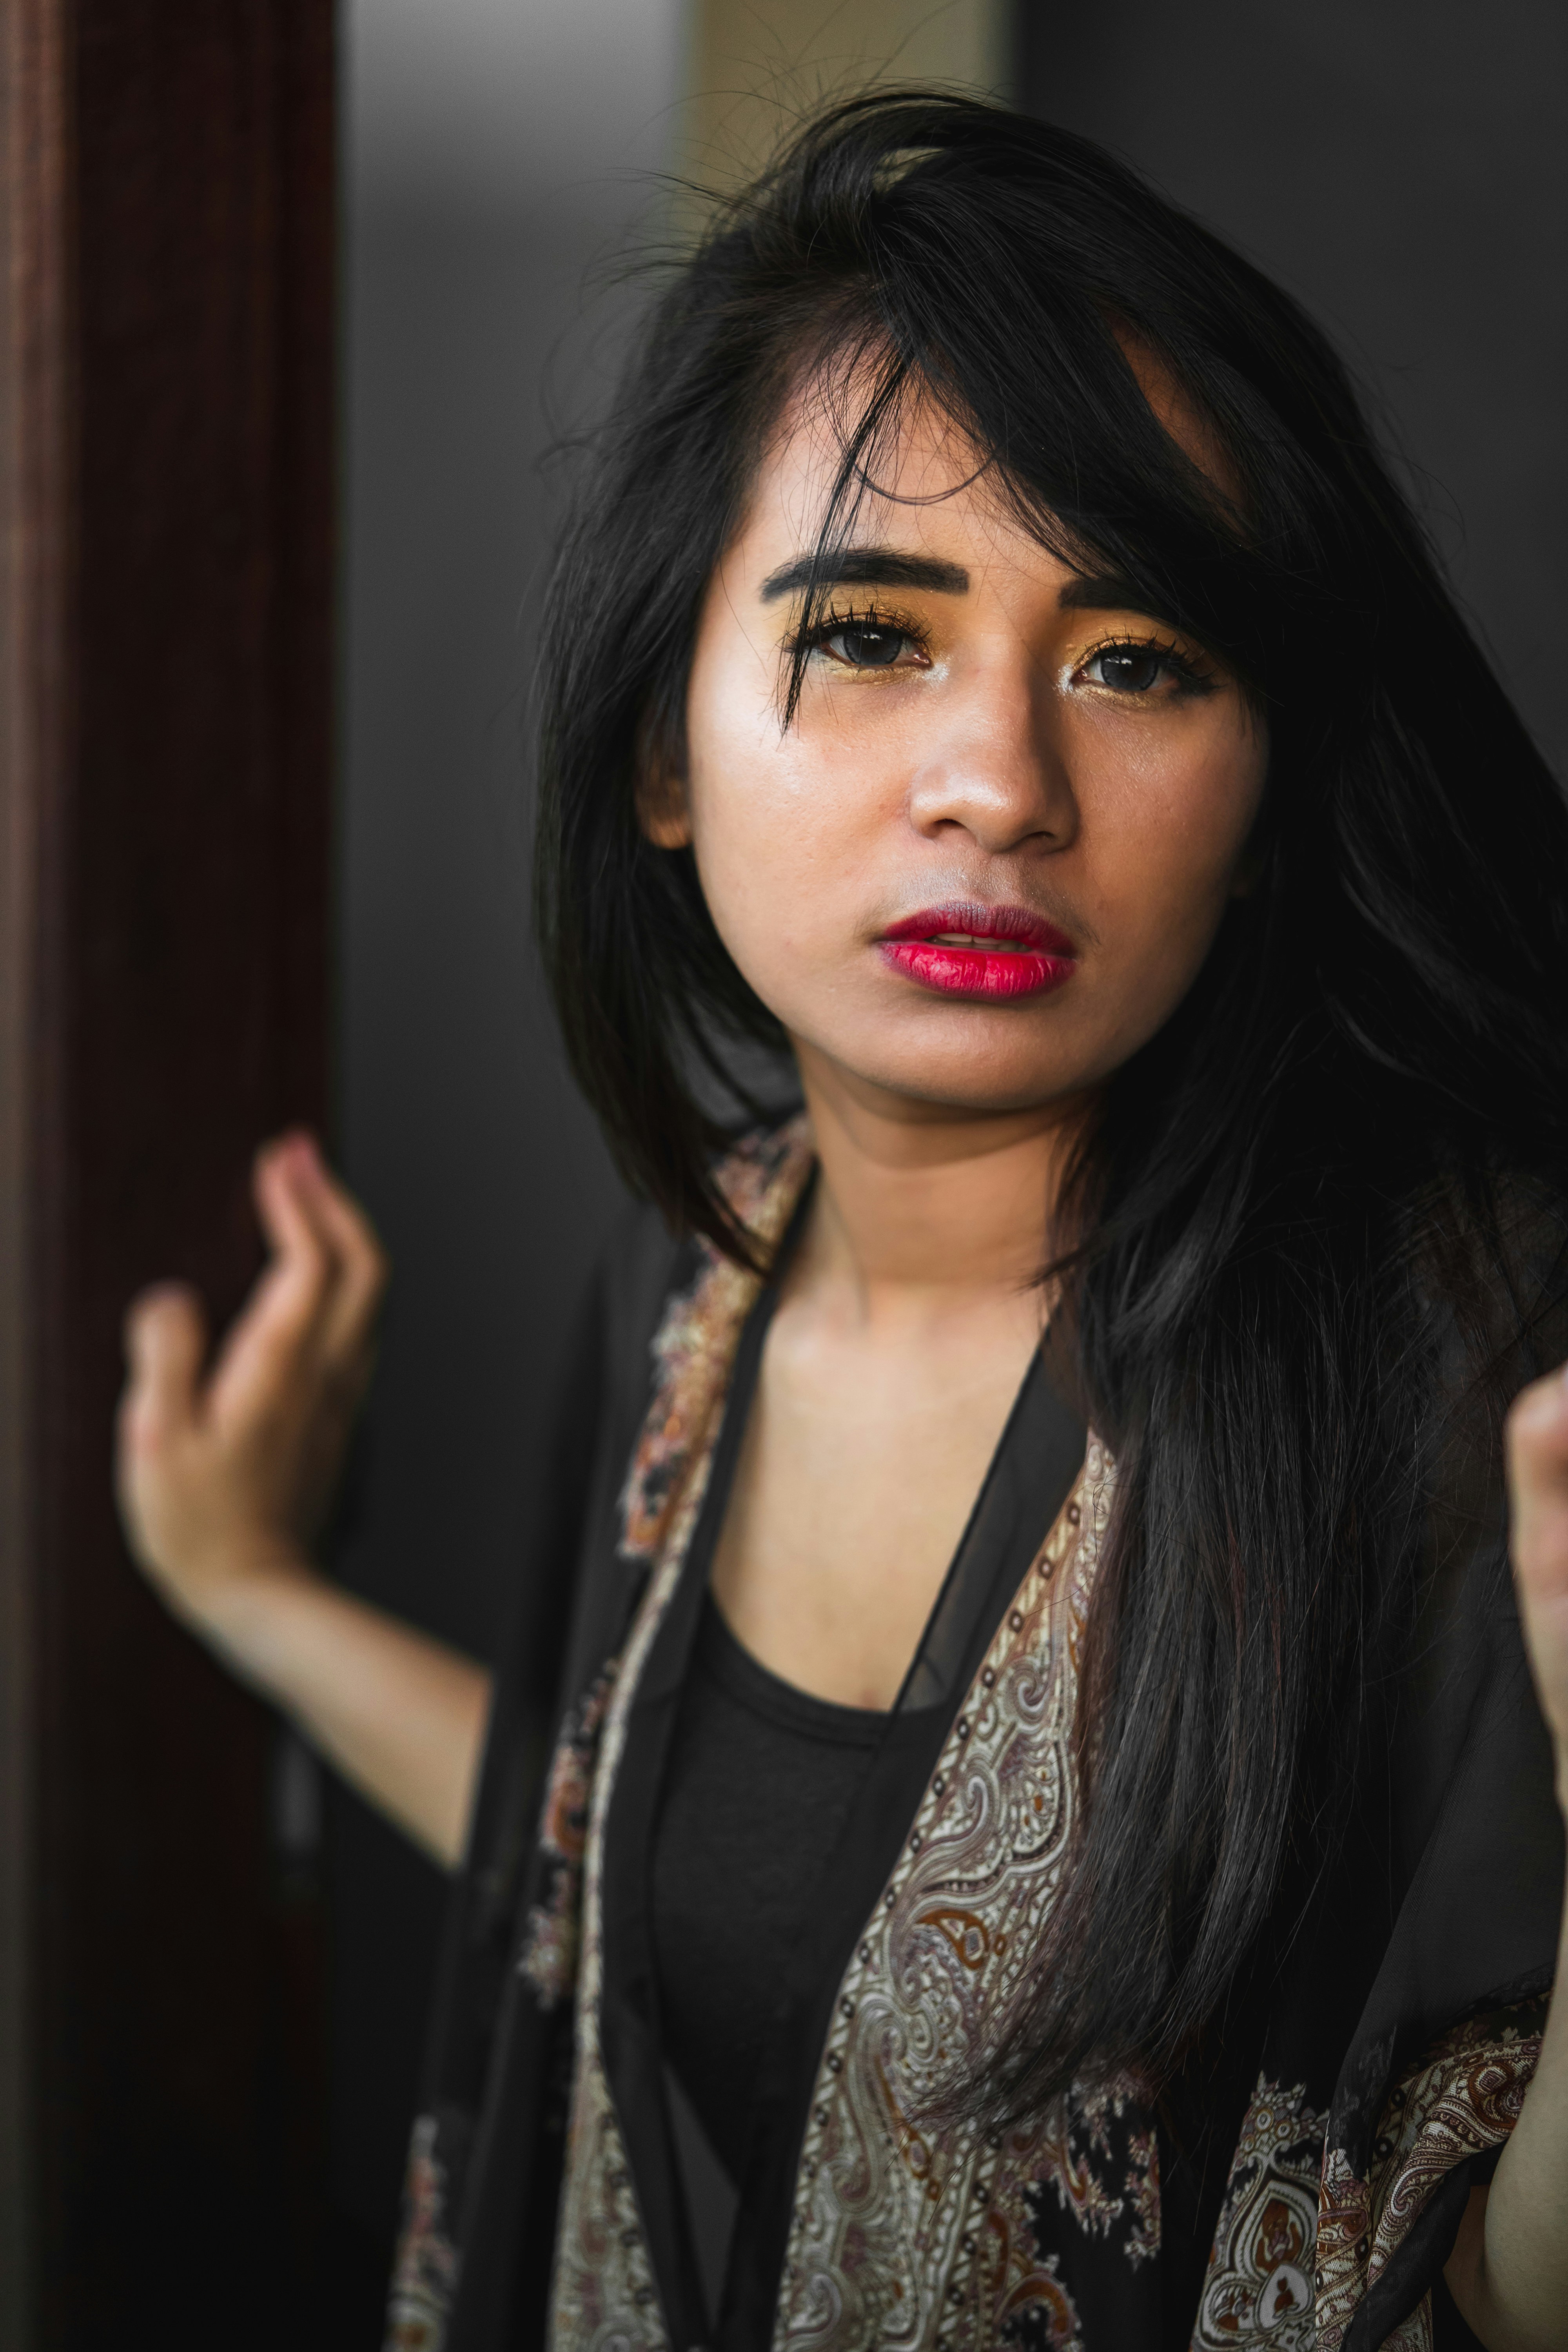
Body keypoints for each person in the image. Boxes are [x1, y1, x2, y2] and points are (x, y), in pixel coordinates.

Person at [116, 94, 1568, 2352]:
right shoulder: (704, 1281)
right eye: (873, 631)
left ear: (1271, 799)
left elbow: (1487, 2294)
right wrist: (256, 1599)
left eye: (1139, 660)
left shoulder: (1449, 1383)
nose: (1000, 775)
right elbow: (609, 1865)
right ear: (664, 756)